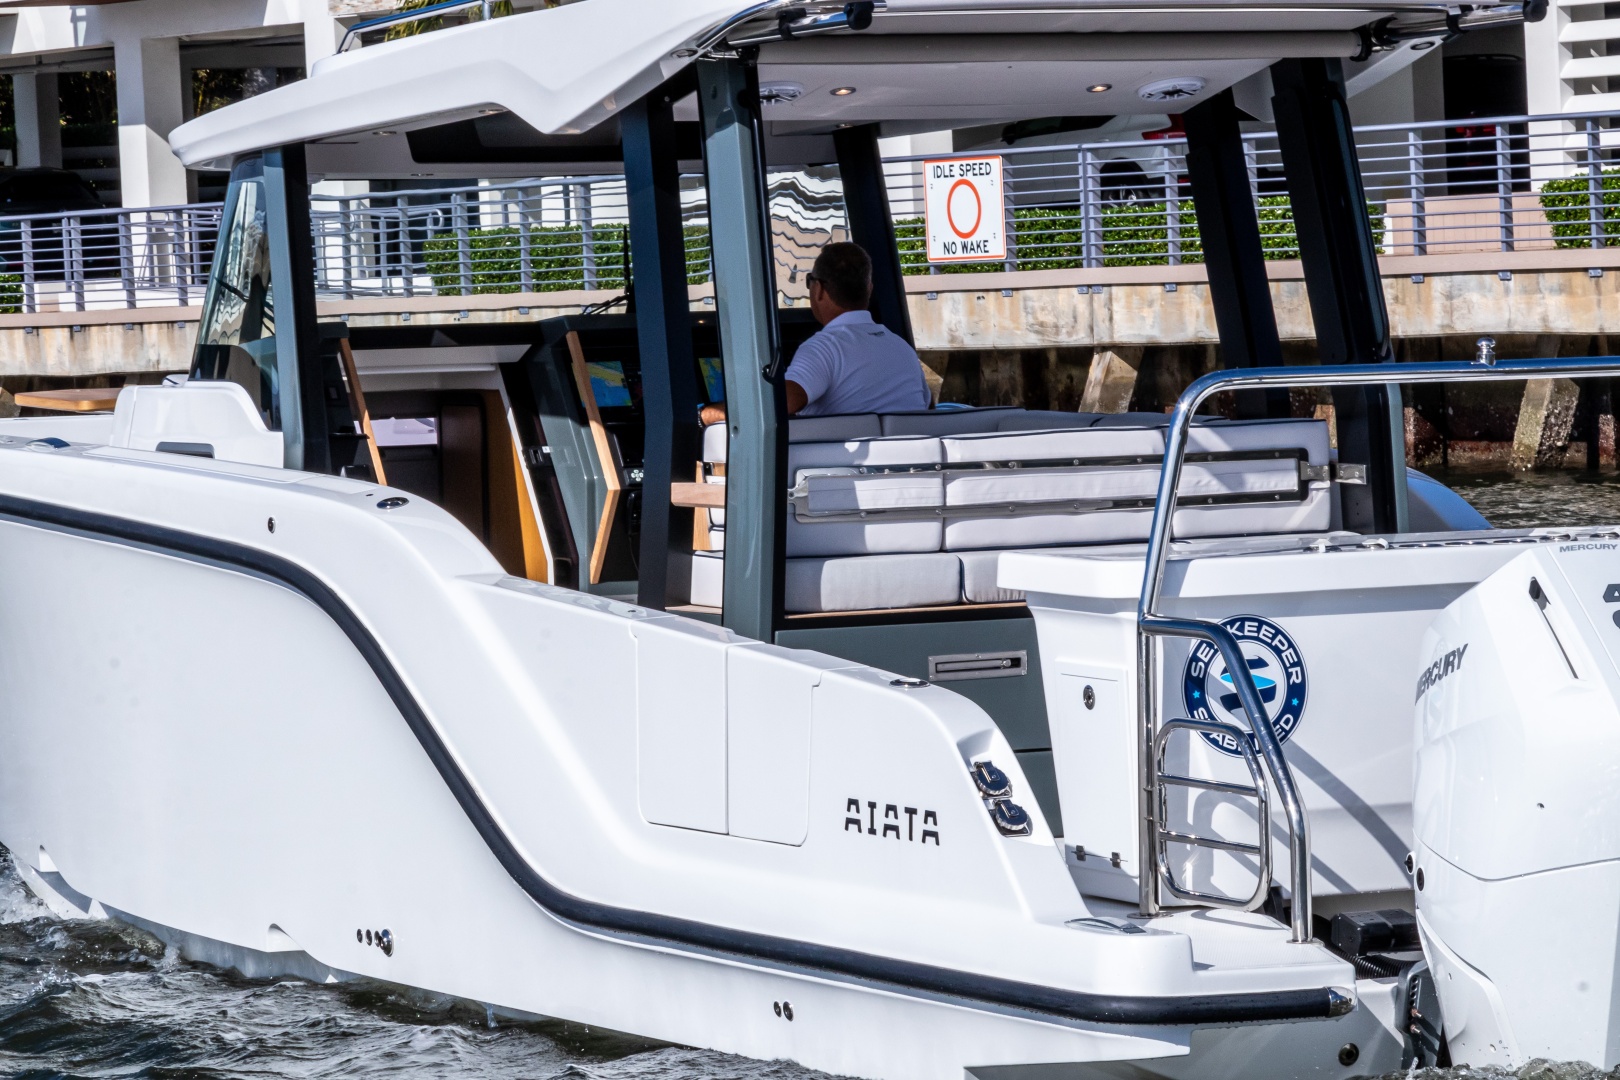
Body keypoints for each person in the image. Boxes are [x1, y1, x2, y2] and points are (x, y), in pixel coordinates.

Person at [699, 242, 931, 424]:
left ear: (818, 288)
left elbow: (781, 404)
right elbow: (926, 406)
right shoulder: (902, 349)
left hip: (836, 469)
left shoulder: (824, 348)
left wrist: (706, 415)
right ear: (868, 289)